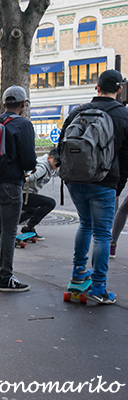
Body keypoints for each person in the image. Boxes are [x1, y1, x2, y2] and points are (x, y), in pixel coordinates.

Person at [59, 70, 128, 304]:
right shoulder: (123, 115)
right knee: (102, 234)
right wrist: (118, 186)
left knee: (85, 224)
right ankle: (99, 287)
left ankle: (78, 273)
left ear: (96, 88)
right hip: (105, 181)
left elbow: (62, 145)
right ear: (119, 90)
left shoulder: (78, 111)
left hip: (75, 180)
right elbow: (126, 157)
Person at [0, 86, 37, 292]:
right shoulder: (23, 125)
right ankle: (6, 278)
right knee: (8, 231)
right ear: (23, 104)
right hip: (11, 185)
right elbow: (29, 160)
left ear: (4, 103)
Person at [19, 148, 60, 240]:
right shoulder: (42, 167)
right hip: (22, 194)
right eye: (55, 160)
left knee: (35, 210)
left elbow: (61, 172)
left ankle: (9, 225)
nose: (57, 164)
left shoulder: (52, 166)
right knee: (50, 203)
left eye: (59, 161)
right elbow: (31, 176)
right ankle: (28, 227)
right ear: (49, 158)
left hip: (26, 194)